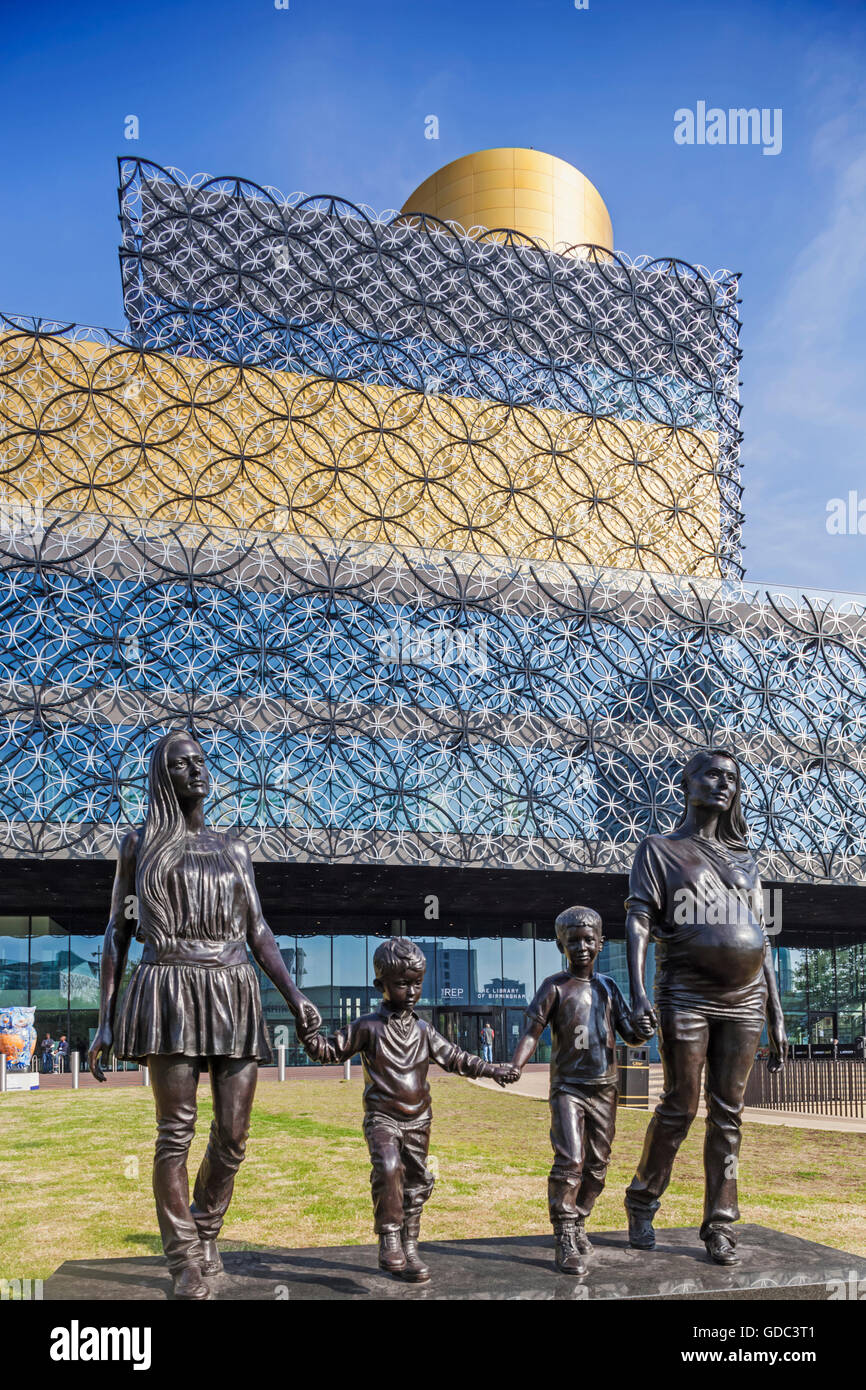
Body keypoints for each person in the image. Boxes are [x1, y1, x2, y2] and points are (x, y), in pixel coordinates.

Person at [88, 730, 321, 1301]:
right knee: (176, 1132)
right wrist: (104, 1017)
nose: (197, 769)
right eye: (182, 763)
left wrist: (295, 996)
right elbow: (116, 935)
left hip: (233, 986)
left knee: (233, 1134)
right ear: (163, 776)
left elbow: (258, 929)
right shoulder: (138, 844)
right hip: (168, 984)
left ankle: (206, 1227)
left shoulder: (234, 848)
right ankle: (185, 1258)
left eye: (200, 761)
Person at [624, 748, 787, 1266]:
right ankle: (642, 1198)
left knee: (729, 1116)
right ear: (687, 784)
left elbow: (762, 939)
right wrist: (638, 991)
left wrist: (777, 1013)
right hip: (686, 993)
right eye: (711, 774)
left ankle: (720, 1223)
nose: (723, 784)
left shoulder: (747, 860)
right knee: (680, 1105)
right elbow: (639, 922)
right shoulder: (659, 849)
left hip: (746, 1002)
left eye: (732, 779)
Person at [298, 937, 518, 1282]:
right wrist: (308, 1034)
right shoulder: (368, 1026)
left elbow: (458, 1058)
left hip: (419, 1120)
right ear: (380, 986)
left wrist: (494, 1070)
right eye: (402, 983)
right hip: (383, 1118)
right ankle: (389, 1238)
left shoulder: (424, 1030)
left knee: (415, 1184)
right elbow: (329, 1051)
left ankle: (410, 1247)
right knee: (388, 1167)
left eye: (417, 983)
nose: (412, 991)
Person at [510, 906, 653, 1275]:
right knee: (569, 1161)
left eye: (589, 939)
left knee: (597, 1168)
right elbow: (531, 1033)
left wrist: (646, 1028)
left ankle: (578, 1219)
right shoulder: (554, 987)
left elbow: (630, 1033)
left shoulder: (608, 987)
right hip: (568, 1088)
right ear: (561, 945)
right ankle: (563, 1234)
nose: (582, 947)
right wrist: (515, 1065)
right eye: (573, 941)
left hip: (605, 1089)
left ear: (601, 943)